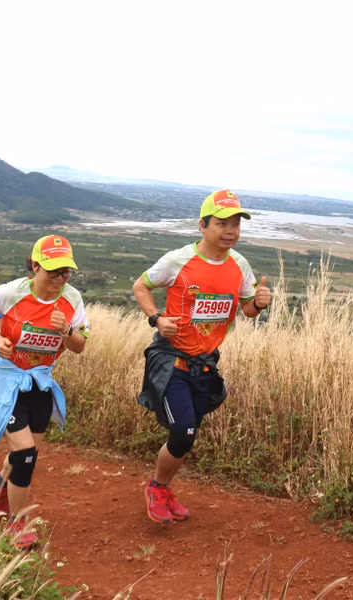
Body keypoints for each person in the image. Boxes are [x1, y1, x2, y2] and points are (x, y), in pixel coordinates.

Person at [132, 189, 271, 523]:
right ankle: (156, 487)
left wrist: (259, 302)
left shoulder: (240, 264)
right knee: (184, 431)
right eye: (222, 223)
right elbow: (140, 286)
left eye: (236, 224)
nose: (230, 231)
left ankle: (163, 488)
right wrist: (156, 318)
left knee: (188, 434)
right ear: (203, 225)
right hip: (172, 361)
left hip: (205, 364)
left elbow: (247, 309)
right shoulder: (178, 260)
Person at [0, 235, 90, 550]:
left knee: (28, 454)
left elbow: (80, 346)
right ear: (35, 266)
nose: (60, 278)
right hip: (6, 380)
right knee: (24, 454)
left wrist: (66, 330)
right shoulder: (12, 292)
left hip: (40, 382)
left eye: (66, 271)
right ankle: (18, 523)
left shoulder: (72, 299)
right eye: (53, 271)